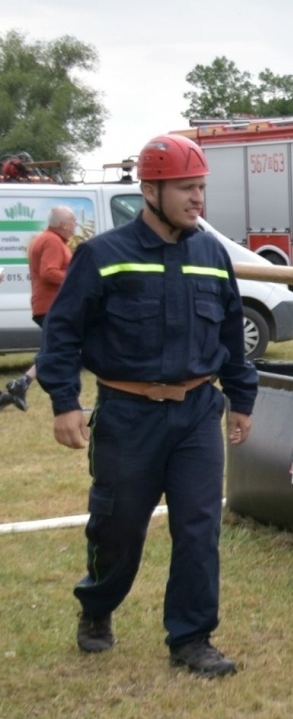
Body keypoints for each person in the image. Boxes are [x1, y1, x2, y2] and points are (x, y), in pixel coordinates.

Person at [36, 133, 256, 674]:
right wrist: (65, 402)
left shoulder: (211, 255)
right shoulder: (103, 256)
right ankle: (98, 607)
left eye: (201, 187)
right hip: (128, 416)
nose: (197, 199)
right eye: (186, 188)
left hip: (197, 413)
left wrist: (242, 398)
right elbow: (61, 334)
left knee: (200, 527)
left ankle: (191, 639)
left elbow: (230, 332)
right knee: (118, 525)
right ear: (150, 190)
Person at [0, 205, 76, 412]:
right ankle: (65, 401)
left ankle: (22, 383)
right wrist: (76, 279)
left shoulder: (47, 239)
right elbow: (49, 272)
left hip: (47, 304)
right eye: (72, 222)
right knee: (63, 349)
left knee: (57, 348)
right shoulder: (51, 241)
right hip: (52, 305)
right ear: (62, 224)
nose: (75, 226)